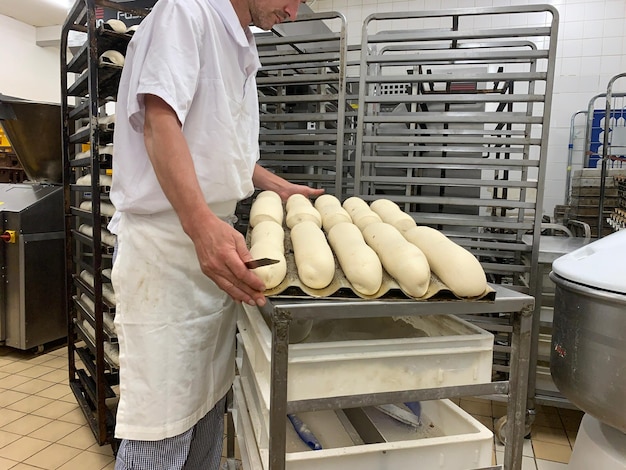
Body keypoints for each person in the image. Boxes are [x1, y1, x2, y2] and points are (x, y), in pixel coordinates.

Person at [107, 0, 321, 468]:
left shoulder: (240, 43)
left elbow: (218, 149)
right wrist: (201, 225)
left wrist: (280, 187)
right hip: (165, 252)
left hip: (209, 245)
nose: (294, 12)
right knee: (162, 426)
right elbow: (160, 122)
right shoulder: (186, 13)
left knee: (207, 407)